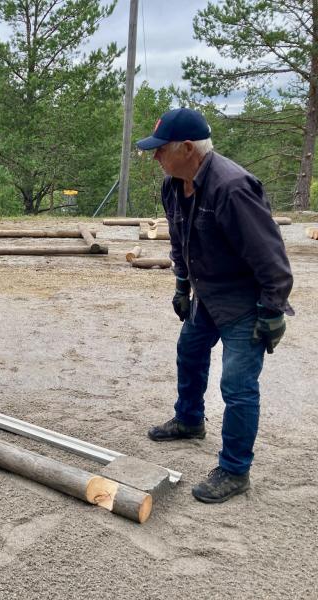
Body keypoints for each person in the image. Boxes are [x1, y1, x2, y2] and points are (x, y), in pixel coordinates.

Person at [136, 107, 294, 503]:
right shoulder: (174, 184)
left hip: (245, 302)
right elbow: (180, 240)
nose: (155, 157)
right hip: (207, 293)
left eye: (161, 150)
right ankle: (190, 421)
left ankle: (235, 470)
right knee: (189, 351)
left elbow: (271, 256)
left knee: (237, 386)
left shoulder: (232, 187)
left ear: (187, 148)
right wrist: (181, 285)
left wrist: (273, 309)